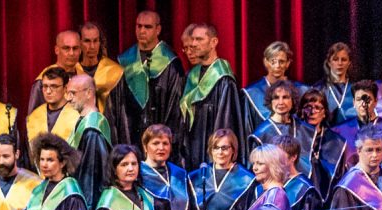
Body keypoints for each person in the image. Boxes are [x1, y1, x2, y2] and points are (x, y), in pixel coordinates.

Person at [179, 24, 244, 168]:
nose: (194, 44)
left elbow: (226, 121)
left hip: (214, 153)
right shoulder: (191, 75)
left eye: (199, 39)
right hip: (192, 150)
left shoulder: (223, 77)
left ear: (214, 42)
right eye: (193, 40)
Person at [116, 10, 185, 145]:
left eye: (147, 27)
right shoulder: (125, 61)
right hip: (131, 137)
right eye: (139, 26)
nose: (142, 31)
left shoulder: (170, 63)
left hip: (160, 140)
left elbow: (175, 110)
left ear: (158, 29)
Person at [331, 81, 382, 168]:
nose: (363, 104)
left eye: (367, 99)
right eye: (359, 99)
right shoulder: (339, 132)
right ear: (353, 102)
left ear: (376, 102)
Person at [235, 144, 296, 210]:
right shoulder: (264, 192)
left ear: (273, 165)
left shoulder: (276, 197)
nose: (254, 168)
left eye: (260, 164)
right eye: (254, 163)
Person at [65, 74, 112, 208]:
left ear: (89, 93)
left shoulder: (92, 129)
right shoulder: (83, 122)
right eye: (68, 93)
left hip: (87, 203)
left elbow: (90, 178)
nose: (69, 99)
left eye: (73, 93)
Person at [243, 42, 305, 140]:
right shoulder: (252, 92)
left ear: (288, 63)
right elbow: (247, 128)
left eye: (282, 61)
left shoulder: (301, 90)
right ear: (266, 62)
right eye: (273, 61)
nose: (277, 66)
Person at [77, 22, 128, 140]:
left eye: (95, 41)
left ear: (101, 42)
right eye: (87, 41)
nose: (92, 46)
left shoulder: (113, 71)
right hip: (79, 137)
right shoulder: (73, 72)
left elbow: (122, 115)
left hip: (108, 136)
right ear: (79, 42)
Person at [298, 89, 347, 200]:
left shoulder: (336, 141)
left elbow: (340, 176)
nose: (312, 111)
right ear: (301, 111)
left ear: (324, 113)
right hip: (301, 197)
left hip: (328, 200)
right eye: (308, 107)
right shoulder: (296, 137)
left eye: (318, 107)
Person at [25, 67, 79, 166]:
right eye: (45, 86)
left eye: (54, 86)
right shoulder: (33, 117)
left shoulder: (77, 115)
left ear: (65, 88)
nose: (48, 91)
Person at [26, 30, 83, 114]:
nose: (71, 53)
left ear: (80, 50)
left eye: (75, 48)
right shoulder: (42, 82)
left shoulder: (85, 79)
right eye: (66, 48)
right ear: (57, 50)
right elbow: (34, 118)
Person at [249, 80, 302, 151]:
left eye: (285, 97)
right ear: (270, 101)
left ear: (293, 100)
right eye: (276, 98)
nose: (280, 102)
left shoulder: (305, 129)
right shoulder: (261, 134)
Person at [316, 43, 355, 125]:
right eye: (335, 59)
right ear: (329, 62)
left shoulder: (355, 89)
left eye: (343, 59)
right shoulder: (318, 89)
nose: (340, 63)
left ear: (349, 63)